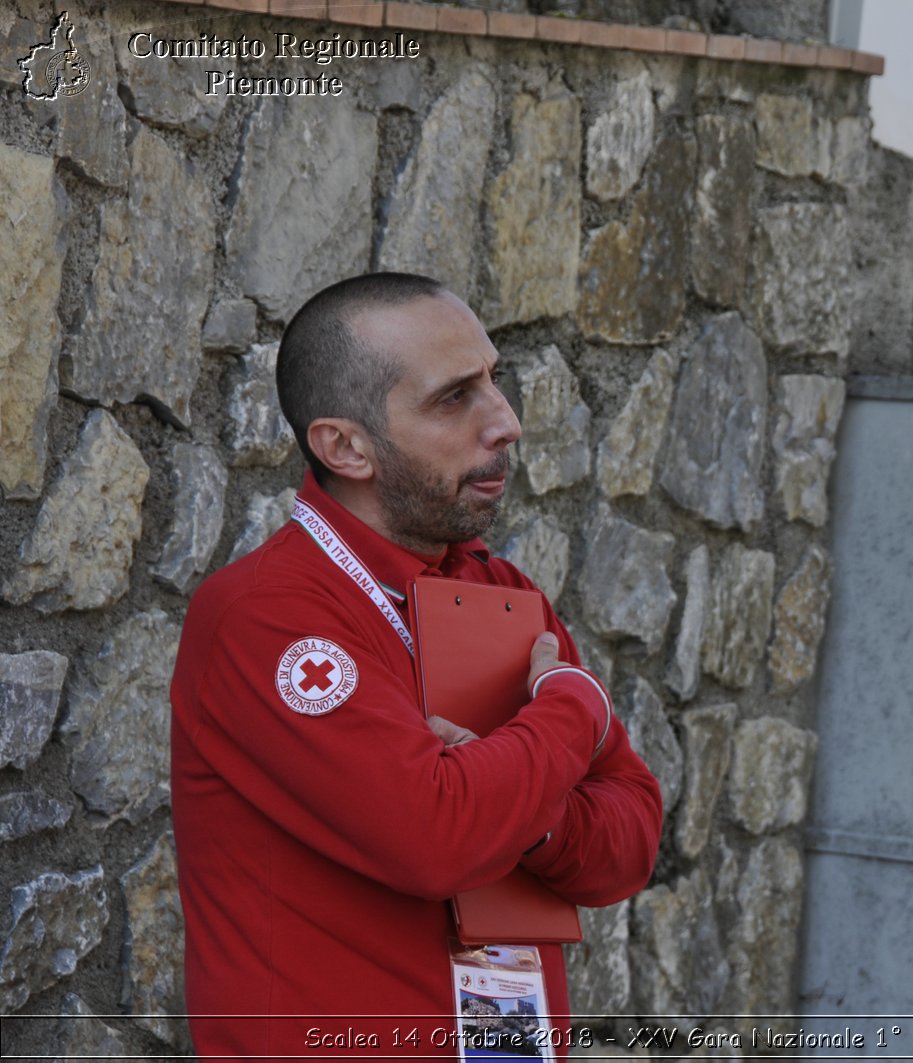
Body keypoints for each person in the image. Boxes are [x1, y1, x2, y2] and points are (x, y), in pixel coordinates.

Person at [170, 273, 662, 1059]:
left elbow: (631, 838)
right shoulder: (264, 614)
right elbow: (434, 836)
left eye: (494, 381)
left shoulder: (500, 591)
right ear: (345, 446)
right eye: (454, 398)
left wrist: (524, 812)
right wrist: (572, 709)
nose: (506, 422)